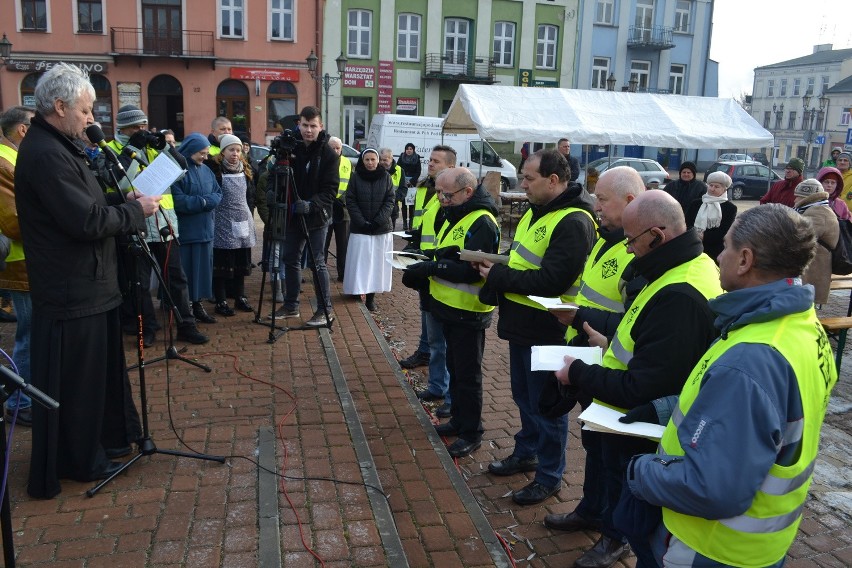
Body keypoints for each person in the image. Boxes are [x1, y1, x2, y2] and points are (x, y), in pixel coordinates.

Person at [624, 204, 837, 568]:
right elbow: (767, 414)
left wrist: (639, 470)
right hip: (760, 545)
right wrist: (663, 409)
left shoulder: (752, 357)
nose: (717, 255)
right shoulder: (801, 326)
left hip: (709, 547)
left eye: (724, 246)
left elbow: (709, 488)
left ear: (745, 260)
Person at [16, 63, 161, 498]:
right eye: (85, 110)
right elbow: (83, 220)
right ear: (59, 107)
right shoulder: (45, 153)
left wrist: (121, 198)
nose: (91, 119)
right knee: (78, 383)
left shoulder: (61, 146)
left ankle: (106, 442)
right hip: (70, 289)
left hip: (90, 286)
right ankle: (81, 458)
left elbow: (89, 202)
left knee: (98, 377)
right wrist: (135, 213)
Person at [555, 190, 722, 568]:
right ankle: (601, 518)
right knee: (609, 477)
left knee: (631, 500)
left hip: (634, 426)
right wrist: (608, 341)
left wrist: (578, 371)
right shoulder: (677, 268)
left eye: (631, 241)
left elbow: (644, 386)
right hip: (618, 416)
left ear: (657, 235)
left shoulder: (680, 293)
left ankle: (617, 538)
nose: (628, 250)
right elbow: (649, 342)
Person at [478, 149, 597, 506]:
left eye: (529, 179)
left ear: (554, 180)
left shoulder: (573, 221)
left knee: (546, 407)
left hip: (548, 330)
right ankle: (526, 452)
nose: (522, 184)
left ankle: (549, 476)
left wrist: (498, 274)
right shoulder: (538, 211)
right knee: (524, 398)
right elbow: (525, 261)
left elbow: (552, 280)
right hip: (522, 325)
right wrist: (500, 265)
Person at [543, 166, 644, 536]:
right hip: (590, 359)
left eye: (602, 199)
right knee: (594, 444)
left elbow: (636, 322)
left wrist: (579, 317)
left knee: (614, 457)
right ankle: (591, 508)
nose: (595, 206)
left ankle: (615, 535)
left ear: (631, 202)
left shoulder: (639, 252)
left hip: (615, 370)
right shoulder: (607, 238)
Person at [402, 167, 500, 457]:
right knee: (456, 372)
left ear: (467, 192)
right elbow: (448, 252)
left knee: (468, 376)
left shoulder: (482, 220)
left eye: (447, 194)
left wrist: (432, 267)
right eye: (439, 193)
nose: (441, 199)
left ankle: (472, 432)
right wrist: (423, 259)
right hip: (447, 307)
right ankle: (458, 419)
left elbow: (474, 271)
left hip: (468, 311)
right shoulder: (455, 212)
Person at [100, 106, 209, 346]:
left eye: (143, 125)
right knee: (138, 284)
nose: (141, 130)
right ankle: (147, 328)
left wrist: (166, 148)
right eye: (136, 127)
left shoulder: (152, 149)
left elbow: (181, 172)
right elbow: (113, 180)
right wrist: (132, 148)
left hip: (164, 225)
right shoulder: (112, 149)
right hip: (134, 226)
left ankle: (186, 326)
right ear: (123, 128)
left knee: (177, 279)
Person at [401, 146, 456, 420]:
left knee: (442, 341)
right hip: (427, 268)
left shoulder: (450, 200)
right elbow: (426, 228)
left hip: (440, 273)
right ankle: (437, 386)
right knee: (433, 337)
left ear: (449, 166)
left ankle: (445, 392)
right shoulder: (432, 194)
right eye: (430, 160)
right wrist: (413, 243)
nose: (430, 164)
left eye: (436, 161)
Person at [281, 106, 338, 327]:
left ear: (320, 126)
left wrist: (312, 204)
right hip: (294, 214)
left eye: (313, 126)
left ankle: (325, 310)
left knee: (317, 262)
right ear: (299, 124)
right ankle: (291, 305)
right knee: (291, 259)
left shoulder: (328, 154)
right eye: (305, 125)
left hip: (317, 216)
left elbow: (330, 191)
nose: (308, 130)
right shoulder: (290, 148)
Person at [0, 105, 35, 426]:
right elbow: (15, 222)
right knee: (30, 336)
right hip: (20, 262)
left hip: (28, 260)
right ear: (23, 130)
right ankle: (20, 401)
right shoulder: (4, 161)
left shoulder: (13, 159)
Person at [171, 133, 222, 325]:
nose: (205, 157)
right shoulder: (177, 172)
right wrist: (203, 202)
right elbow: (178, 201)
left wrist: (206, 201)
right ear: (190, 150)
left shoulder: (207, 170)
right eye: (202, 153)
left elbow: (218, 193)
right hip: (186, 233)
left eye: (207, 153)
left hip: (205, 231)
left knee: (202, 273)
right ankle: (184, 307)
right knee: (186, 273)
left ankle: (198, 304)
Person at [206, 134, 257, 316]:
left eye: (238, 150)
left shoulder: (246, 169)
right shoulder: (215, 170)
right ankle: (221, 300)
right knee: (222, 263)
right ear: (223, 151)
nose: (235, 153)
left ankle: (240, 297)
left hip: (243, 219)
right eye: (231, 150)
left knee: (241, 262)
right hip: (222, 223)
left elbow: (250, 196)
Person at [344, 149, 395, 312]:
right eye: (367, 159)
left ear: (378, 160)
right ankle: (358, 291)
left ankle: (371, 297)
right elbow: (350, 200)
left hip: (381, 229)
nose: (370, 163)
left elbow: (390, 200)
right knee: (360, 263)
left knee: (376, 265)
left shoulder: (386, 177)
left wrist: (378, 221)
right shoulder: (355, 177)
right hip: (361, 229)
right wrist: (362, 221)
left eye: (373, 159)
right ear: (362, 160)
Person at [793, 178, 838, 305]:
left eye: (798, 197)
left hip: (815, 268)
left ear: (808, 198)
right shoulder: (815, 209)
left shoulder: (818, 212)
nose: (795, 200)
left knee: (806, 304)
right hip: (812, 266)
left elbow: (799, 237)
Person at [685, 171, 737, 262]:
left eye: (717, 187)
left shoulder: (730, 208)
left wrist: (703, 236)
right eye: (711, 185)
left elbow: (723, 231)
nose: (712, 189)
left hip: (714, 251)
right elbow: (687, 223)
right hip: (692, 247)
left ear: (724, 189)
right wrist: (694, 235)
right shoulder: (696, 203)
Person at [324, 136, 351, 282]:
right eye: (332, 147)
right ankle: (320, 273)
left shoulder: (347, 162)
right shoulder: (322, 160)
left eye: (338, 148)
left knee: (343, 245)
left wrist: (343, 201)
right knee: (323, 243)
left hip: (343, 209)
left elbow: (351, 185)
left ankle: (343, 273)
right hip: (326, 207)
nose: (335, 150)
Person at [397, 142, 422, 231]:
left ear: (413, 150)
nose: (409, 150)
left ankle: (411, 222)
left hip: (412, 184)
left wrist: (411, 181)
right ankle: (404, 222)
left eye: (411, 149)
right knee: (403, 204)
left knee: (411, 204)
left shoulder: (417, 158)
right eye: (407, 149)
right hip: (403, 183)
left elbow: (418, 171)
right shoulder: (401, 157)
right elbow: (398, 169)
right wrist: (404, 180)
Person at [379, 147, 404, 229]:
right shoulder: (375, 169)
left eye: (385, 160)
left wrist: (393, 198)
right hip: (377, 208)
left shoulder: (400, 170)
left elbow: (403, 189)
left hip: (392, 209)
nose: (382, 162)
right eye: (380, 160)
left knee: (389, 233)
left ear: (391, 159)